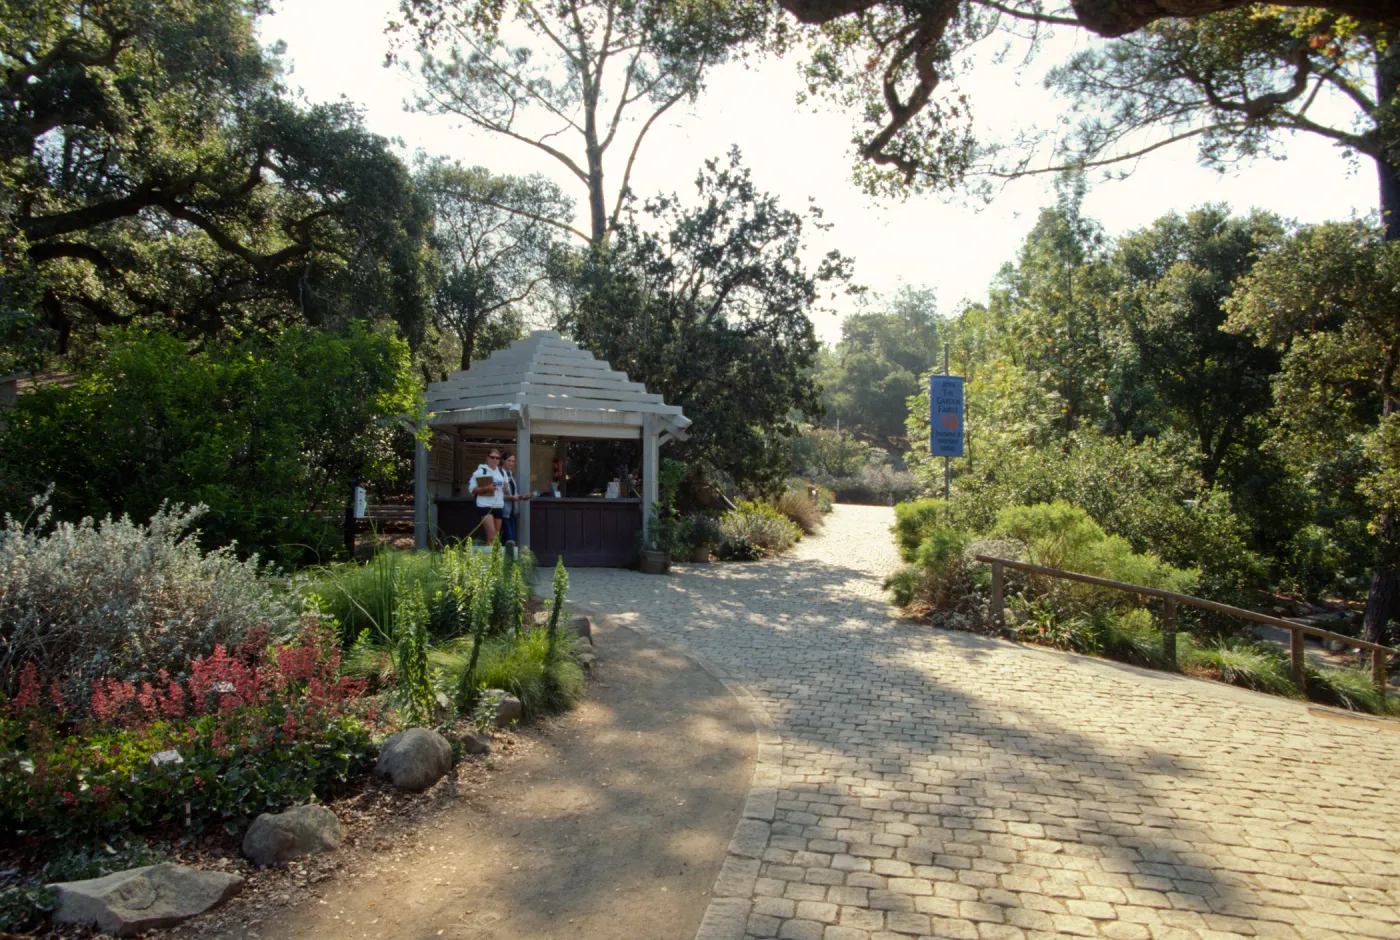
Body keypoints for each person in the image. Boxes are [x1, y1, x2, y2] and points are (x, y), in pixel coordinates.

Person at [470, 449, 507, 545]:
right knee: (492, 536)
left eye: (497, 458)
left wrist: (506, 487)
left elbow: (505, 488)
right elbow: (472, 490)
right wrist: (487, 488)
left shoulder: (502, 472)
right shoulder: (480, 472)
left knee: (495, 539)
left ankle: (491, 558)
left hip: (498, 505)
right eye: (492, 457)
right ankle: (489, 558)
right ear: (487, 458)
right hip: (485, 505)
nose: (495, 460)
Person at [500, 453, 532, 543]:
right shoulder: (500, 474)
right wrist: (513, 498)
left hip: (512, 512)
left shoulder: (510, 474)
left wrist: (522, 497)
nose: (511, 463)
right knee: (509, 539)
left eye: (513, 461)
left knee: (511, 538)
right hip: (503, 512)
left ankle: (508, 557)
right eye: (509, 460)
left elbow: (514, 492)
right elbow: (498, 495)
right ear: (503, 461)